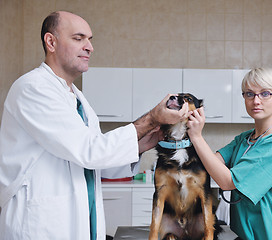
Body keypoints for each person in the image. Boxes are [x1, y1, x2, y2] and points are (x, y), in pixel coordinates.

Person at [0, 11, 189, 240]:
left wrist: (143, 143)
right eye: (79, 38)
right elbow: (89, 150)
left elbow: (98, 162)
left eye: (90, 39)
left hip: (78, 222)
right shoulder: (32, 88)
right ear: (51, 42)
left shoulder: (78, 99)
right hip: (40, 225)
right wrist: (151, 119)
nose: (89, 47)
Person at [187, 68, 272, 239]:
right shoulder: (246, 138)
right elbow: (210, 163)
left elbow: (227, 181)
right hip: (248, 235)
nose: (256, 100)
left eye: (265, 93)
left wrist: (196, 136)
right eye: (249, 94)